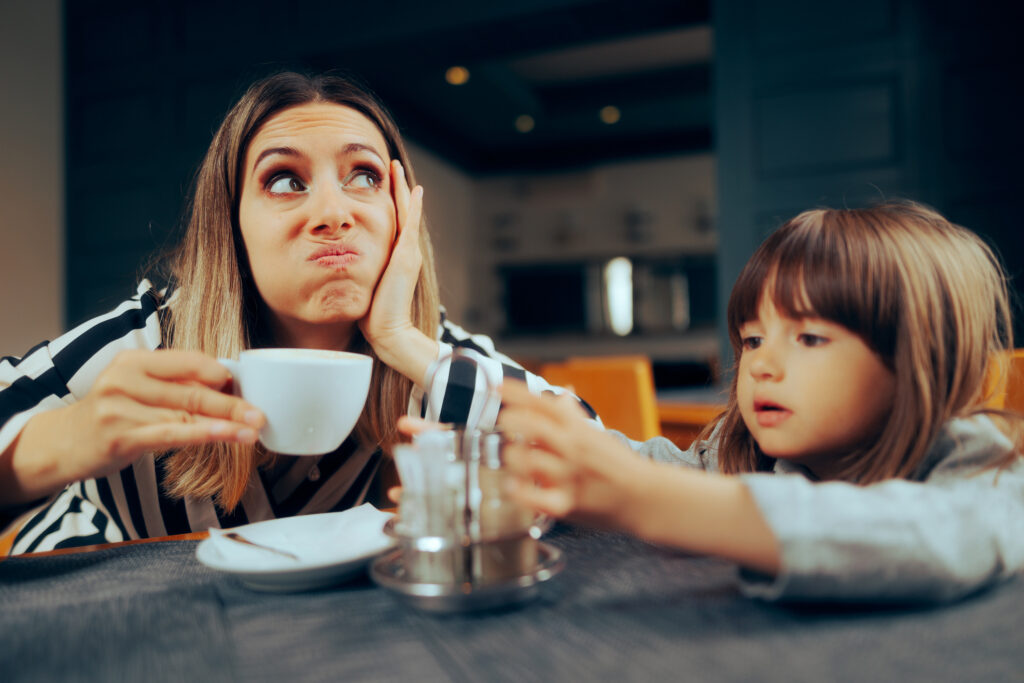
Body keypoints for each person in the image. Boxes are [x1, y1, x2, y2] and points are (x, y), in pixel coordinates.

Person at [0, 71, 582, 555]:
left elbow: (593, 454)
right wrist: (62, 437)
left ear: (401, 214)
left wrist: (402, 338)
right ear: (231, 228)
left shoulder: (425, 355)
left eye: (364, 177)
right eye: (284, 180)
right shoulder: (149, 343)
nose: (333, 212)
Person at [498, 201, 1024, 603]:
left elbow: (940, 535)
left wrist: (646, 500)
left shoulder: (982, 464)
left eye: (810, 338)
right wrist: (524, 445)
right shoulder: (745, 452)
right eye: (752, 340)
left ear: (921, 357)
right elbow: (643, 466)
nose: (761, 365)